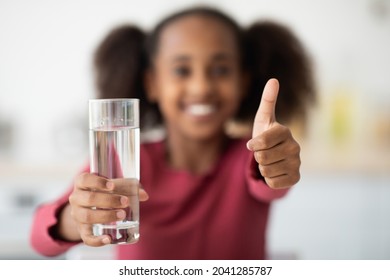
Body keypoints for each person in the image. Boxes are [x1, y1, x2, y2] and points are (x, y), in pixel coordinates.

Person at [30, 6, 315, 260]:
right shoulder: (125, 161)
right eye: (181, 70)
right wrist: (75, 219)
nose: (201, 87)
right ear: (152, 83)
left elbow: (269, 180)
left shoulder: (253, 156)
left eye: (221, 70)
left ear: (243, 81)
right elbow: (39, 239)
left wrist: (276, 163)